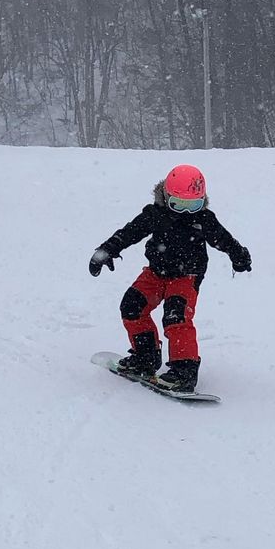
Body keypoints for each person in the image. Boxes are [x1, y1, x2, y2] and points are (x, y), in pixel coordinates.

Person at [88, 163, 251, 391]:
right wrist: (106, 251)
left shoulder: (204, 219)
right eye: (178, 205)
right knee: (132, 306)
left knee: (177, 315)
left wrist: (239, 255)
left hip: (187, 276)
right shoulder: (155, 214)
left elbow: (224, 239)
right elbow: (129, 232)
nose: (186, 212)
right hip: (156, 273)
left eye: (193, 205)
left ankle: (184, 370)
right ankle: (146, 357)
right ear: (166, 197)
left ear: (202, 201)